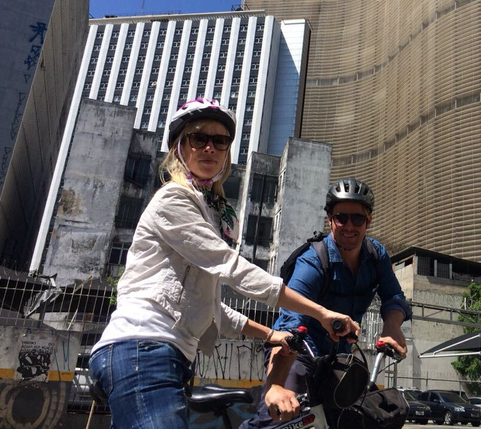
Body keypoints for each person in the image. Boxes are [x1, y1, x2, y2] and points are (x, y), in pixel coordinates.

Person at [88, 99, 359, 429]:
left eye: (220, 141)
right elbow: (233, 269)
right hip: (141, 350)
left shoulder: (209, 210)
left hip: (164, 356)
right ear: (179, 147)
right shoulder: (174, 199)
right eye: (198, 138)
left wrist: (272, 335)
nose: (209, 148)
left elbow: (215, 308)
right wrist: (322, 313)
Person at [242, 177, 412, 429]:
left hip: (339, 356)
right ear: (330, 219)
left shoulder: (377, 256)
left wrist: (392, 326)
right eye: (341, 217)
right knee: (281, 418)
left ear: (369, 221)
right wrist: (276, 385)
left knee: (362, 418)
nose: (349, 226)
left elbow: (394, 298)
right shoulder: (313, 262)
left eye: (358, 219)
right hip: (299, 353)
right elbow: (289, 325)